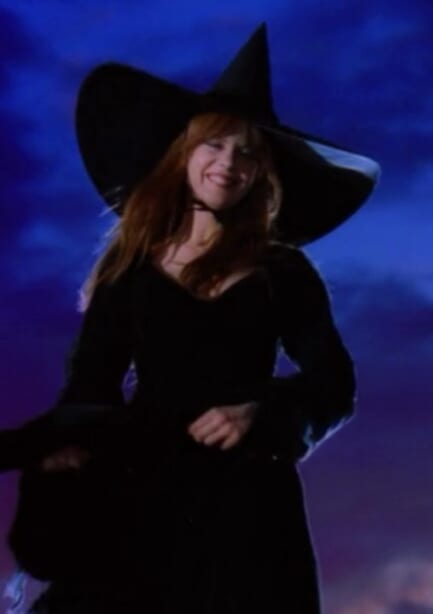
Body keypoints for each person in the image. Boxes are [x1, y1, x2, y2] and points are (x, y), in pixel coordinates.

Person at [4, 24, 380, 613]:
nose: (228, 163)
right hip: (140, 497)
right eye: (214, 145)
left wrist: (263, 413)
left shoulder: (283, 272)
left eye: (247, 152)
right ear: (184, 153)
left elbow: (335, 385)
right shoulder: (129, 270)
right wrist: (66, 453)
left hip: (249, 510)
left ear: (262, 171)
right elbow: (90, 387)